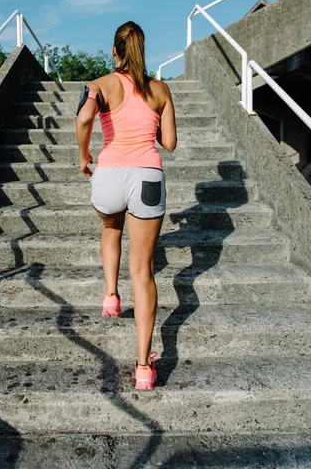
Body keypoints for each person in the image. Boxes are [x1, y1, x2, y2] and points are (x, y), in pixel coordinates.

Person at [75, 20, 177, 390]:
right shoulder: (161, 89)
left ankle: (110, 298)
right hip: (147, 176)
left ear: (115, 51)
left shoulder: (99, 85)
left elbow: (86, 117)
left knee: (110, 228)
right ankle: (143, 368)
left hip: (109, 176)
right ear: (142, 51)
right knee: (144, 272)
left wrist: (85, 156)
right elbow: (169, 143)